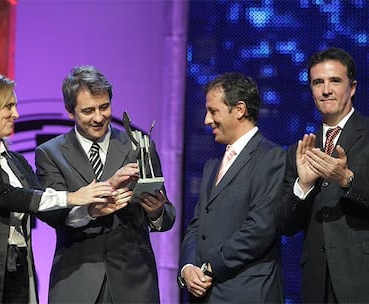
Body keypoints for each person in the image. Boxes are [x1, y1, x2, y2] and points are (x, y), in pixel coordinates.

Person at [0, 74, 131, 303]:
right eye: (8, 107)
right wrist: (72, 197)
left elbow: (46, 208)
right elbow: (3, 195)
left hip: (17, 267)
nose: (16, 114)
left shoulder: (15, 161)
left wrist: (92, 210)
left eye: (15, 106)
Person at [35, 65, 176, 303]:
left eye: (105, 107)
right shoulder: (50, 153)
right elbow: (52, 213)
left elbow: (167, 215)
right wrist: (91, 209)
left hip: (134, 282)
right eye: (88, 111)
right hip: (76, 280)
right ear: (70, 112)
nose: (99, 117)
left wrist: (156, 212)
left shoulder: (138, 145)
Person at [178, 72, 285, 303]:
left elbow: (259, 229)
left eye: (213, 111)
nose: (207, 120)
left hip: (246, 293)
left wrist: (209, 268)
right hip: (204, 295)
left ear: (239, 110)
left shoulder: (271, 157)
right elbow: (197, 225)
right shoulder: (212, 166)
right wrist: (188, 267)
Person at [279, 47, 369, 303]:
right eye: (318, 82)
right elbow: (286, 224)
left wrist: (347, 180)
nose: (326, 89)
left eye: (334, 81)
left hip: (361, 279)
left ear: (352, 88)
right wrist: (303, 186)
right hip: (317, 284)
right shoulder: (301, 150)